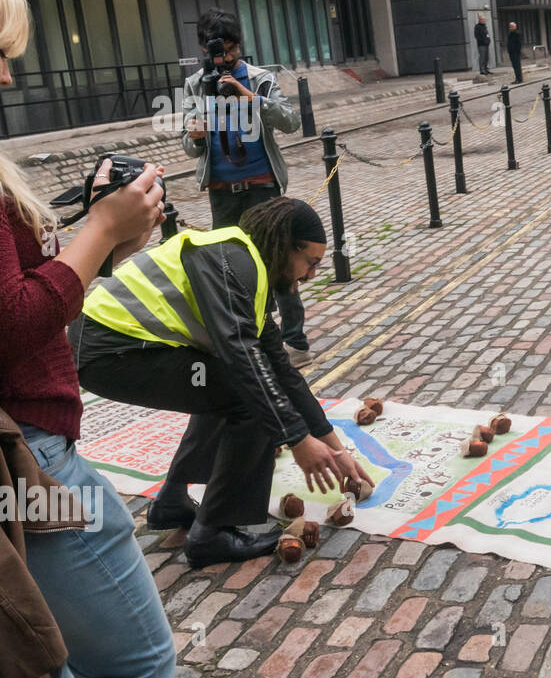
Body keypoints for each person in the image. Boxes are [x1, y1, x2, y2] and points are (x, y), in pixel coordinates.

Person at [0, 0, 176, 678]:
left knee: (51, 670)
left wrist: (96, 242)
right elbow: (11, 323)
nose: (7, 73)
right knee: (139, 670)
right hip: (28, 458)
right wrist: (101, 229)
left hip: (24, 453)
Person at [72, 197, 374, 568]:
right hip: (110, 351)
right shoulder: (231, 261)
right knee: (249, 396)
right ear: (284, 247)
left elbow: (283, 372)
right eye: (310, 263)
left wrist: (334, 446)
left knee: (237, 387)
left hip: (119, 348)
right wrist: (295, 437)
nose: (311, 275)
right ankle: (213, 532)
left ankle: (172, 503)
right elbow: (242, 358)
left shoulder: (250, 272)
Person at [181, 9, 313, 367]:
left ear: (239, 45)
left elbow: (290, 121)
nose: (223, 59)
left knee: (279, 262)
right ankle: (254, 341)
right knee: (232, 270)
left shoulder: (259, 79)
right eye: (215, 53)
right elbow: (188, 145)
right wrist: (194, 135)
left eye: (229, 50)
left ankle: (295, 342)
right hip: (223, 191)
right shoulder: (195, 84)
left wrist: (250, 98)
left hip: (262, 186)